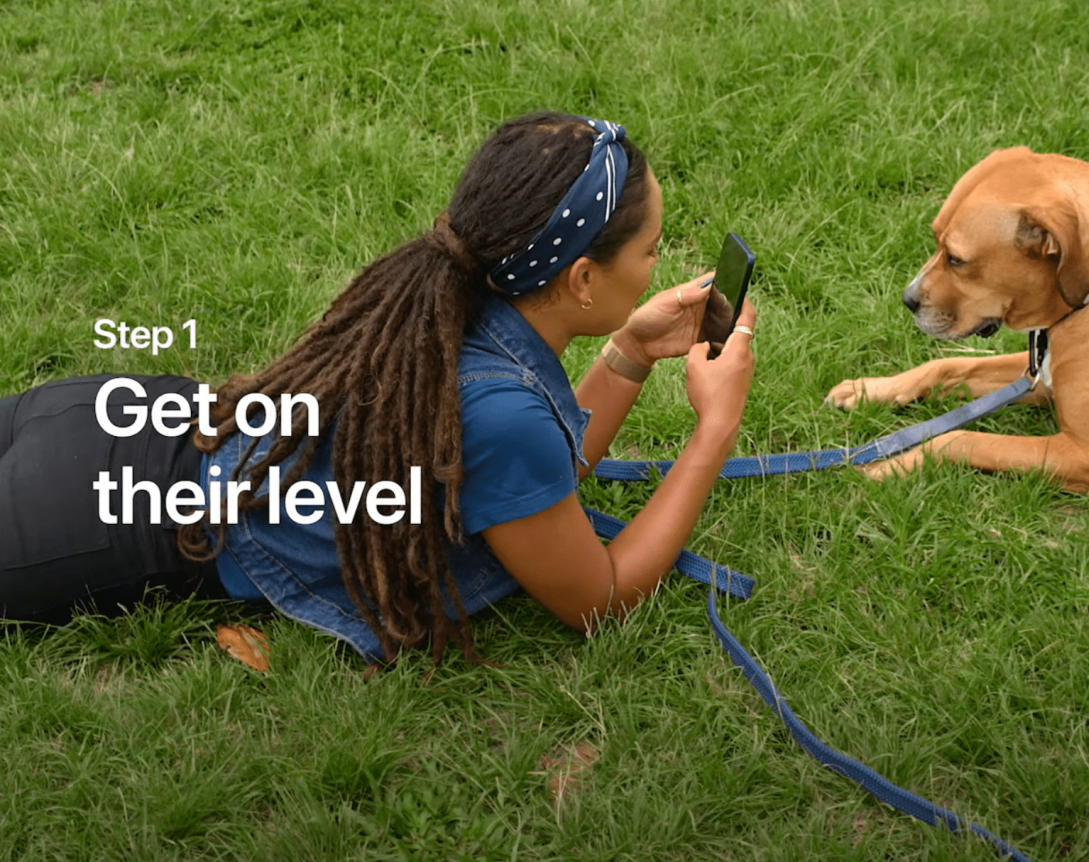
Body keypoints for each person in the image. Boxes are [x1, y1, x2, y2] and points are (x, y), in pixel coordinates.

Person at [0, 111, 757, 667]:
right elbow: (599, 598)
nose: (657, 267)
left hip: (119, 419)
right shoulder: (499, 409)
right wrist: (714, 430)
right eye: (651, 250)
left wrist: (630, 352)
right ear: (582, 279)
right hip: (100, 522)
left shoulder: (455, 296)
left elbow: (531, 482)